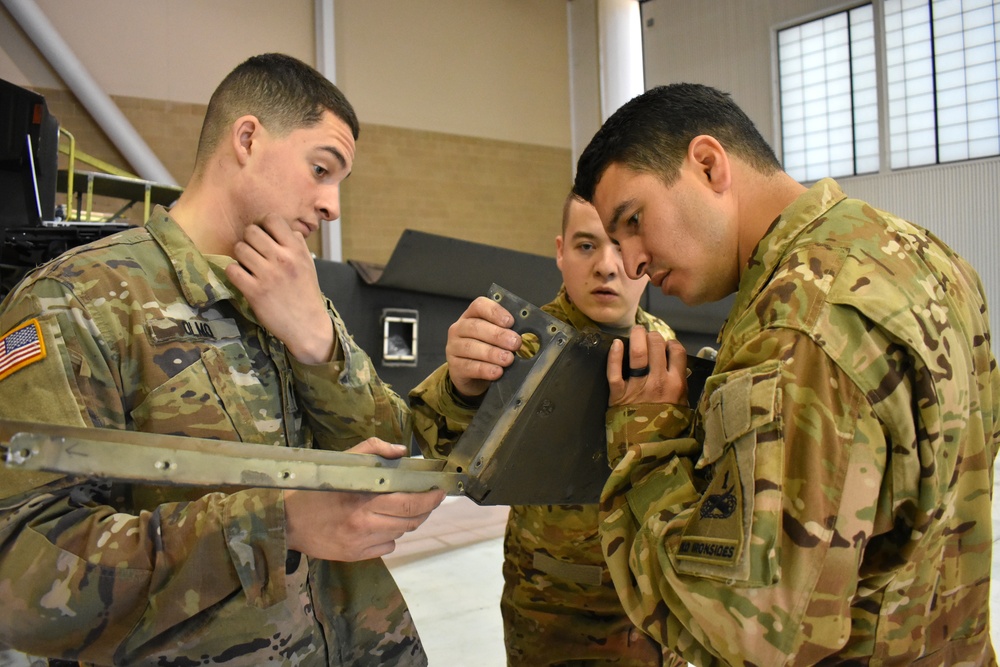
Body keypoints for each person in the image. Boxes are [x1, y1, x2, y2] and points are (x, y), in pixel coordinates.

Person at [0, 53, 446, 666]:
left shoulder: (294, 293)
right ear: (247, 139)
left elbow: (391, 446)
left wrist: (318, 344)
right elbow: (24, 582)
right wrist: (275, 523)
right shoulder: (76, 302)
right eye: (321, 168)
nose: (332, 205)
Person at [565, 83, 999, 665]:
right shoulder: (928, 257)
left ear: (708, 164)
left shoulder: (796, 326)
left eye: (634, 221)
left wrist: (648, 443)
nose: (632, 260)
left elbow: (755, 631)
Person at [410, 191, 687, 666]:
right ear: (560, 251)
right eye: (585, 246)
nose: (606, 266)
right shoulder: (522, 344)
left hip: (654, 613)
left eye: (621, 247)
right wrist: (461, 386)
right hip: (552, 612)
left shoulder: (664, 345)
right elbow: (442, 447)